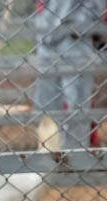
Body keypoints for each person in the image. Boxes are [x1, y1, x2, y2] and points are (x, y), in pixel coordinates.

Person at [34, 0, 103, 149]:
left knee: (76, 104)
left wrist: (80, 25)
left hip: (75, 37)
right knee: (47, 104)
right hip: (46, 34)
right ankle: (49, 158)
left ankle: (75, 160)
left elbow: (96, 7)